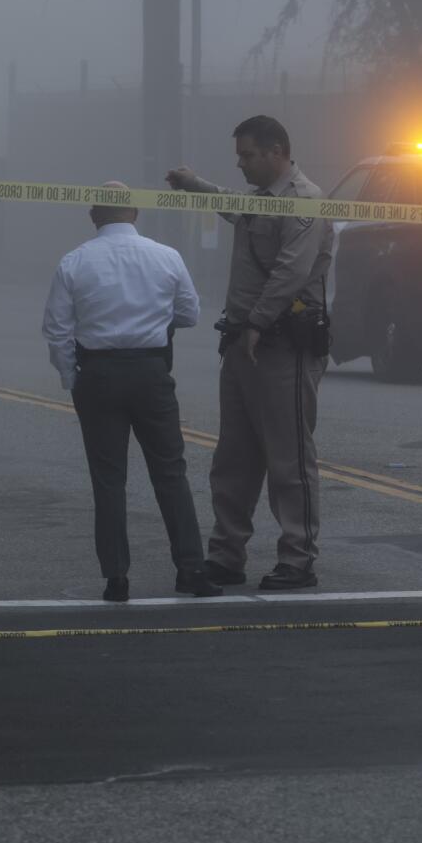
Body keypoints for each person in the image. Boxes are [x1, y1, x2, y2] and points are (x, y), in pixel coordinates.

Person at [167, 115, 335, 591]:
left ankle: (298, 560)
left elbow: (292, 271)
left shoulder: (304, 201)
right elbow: (229, 205)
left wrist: (259, 323)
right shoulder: (260, 199)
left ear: (276, 151)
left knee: (289, 458)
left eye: (247, 155)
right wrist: (191, 184)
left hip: (282, 344)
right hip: (244, 341)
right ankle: (226, 554)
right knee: (234, 459)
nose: (240, 164)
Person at [41, 183, 221, 602]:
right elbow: (190, 313)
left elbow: (57, 330)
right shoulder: (166, 256)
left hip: (98, 374)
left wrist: (73, 377)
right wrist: (157, 325)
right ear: (136, 214)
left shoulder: (75, 262)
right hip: (151, 371)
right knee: (170, 473)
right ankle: (192, 568)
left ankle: (117, 578)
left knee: (108, 479)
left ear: (93, 216)